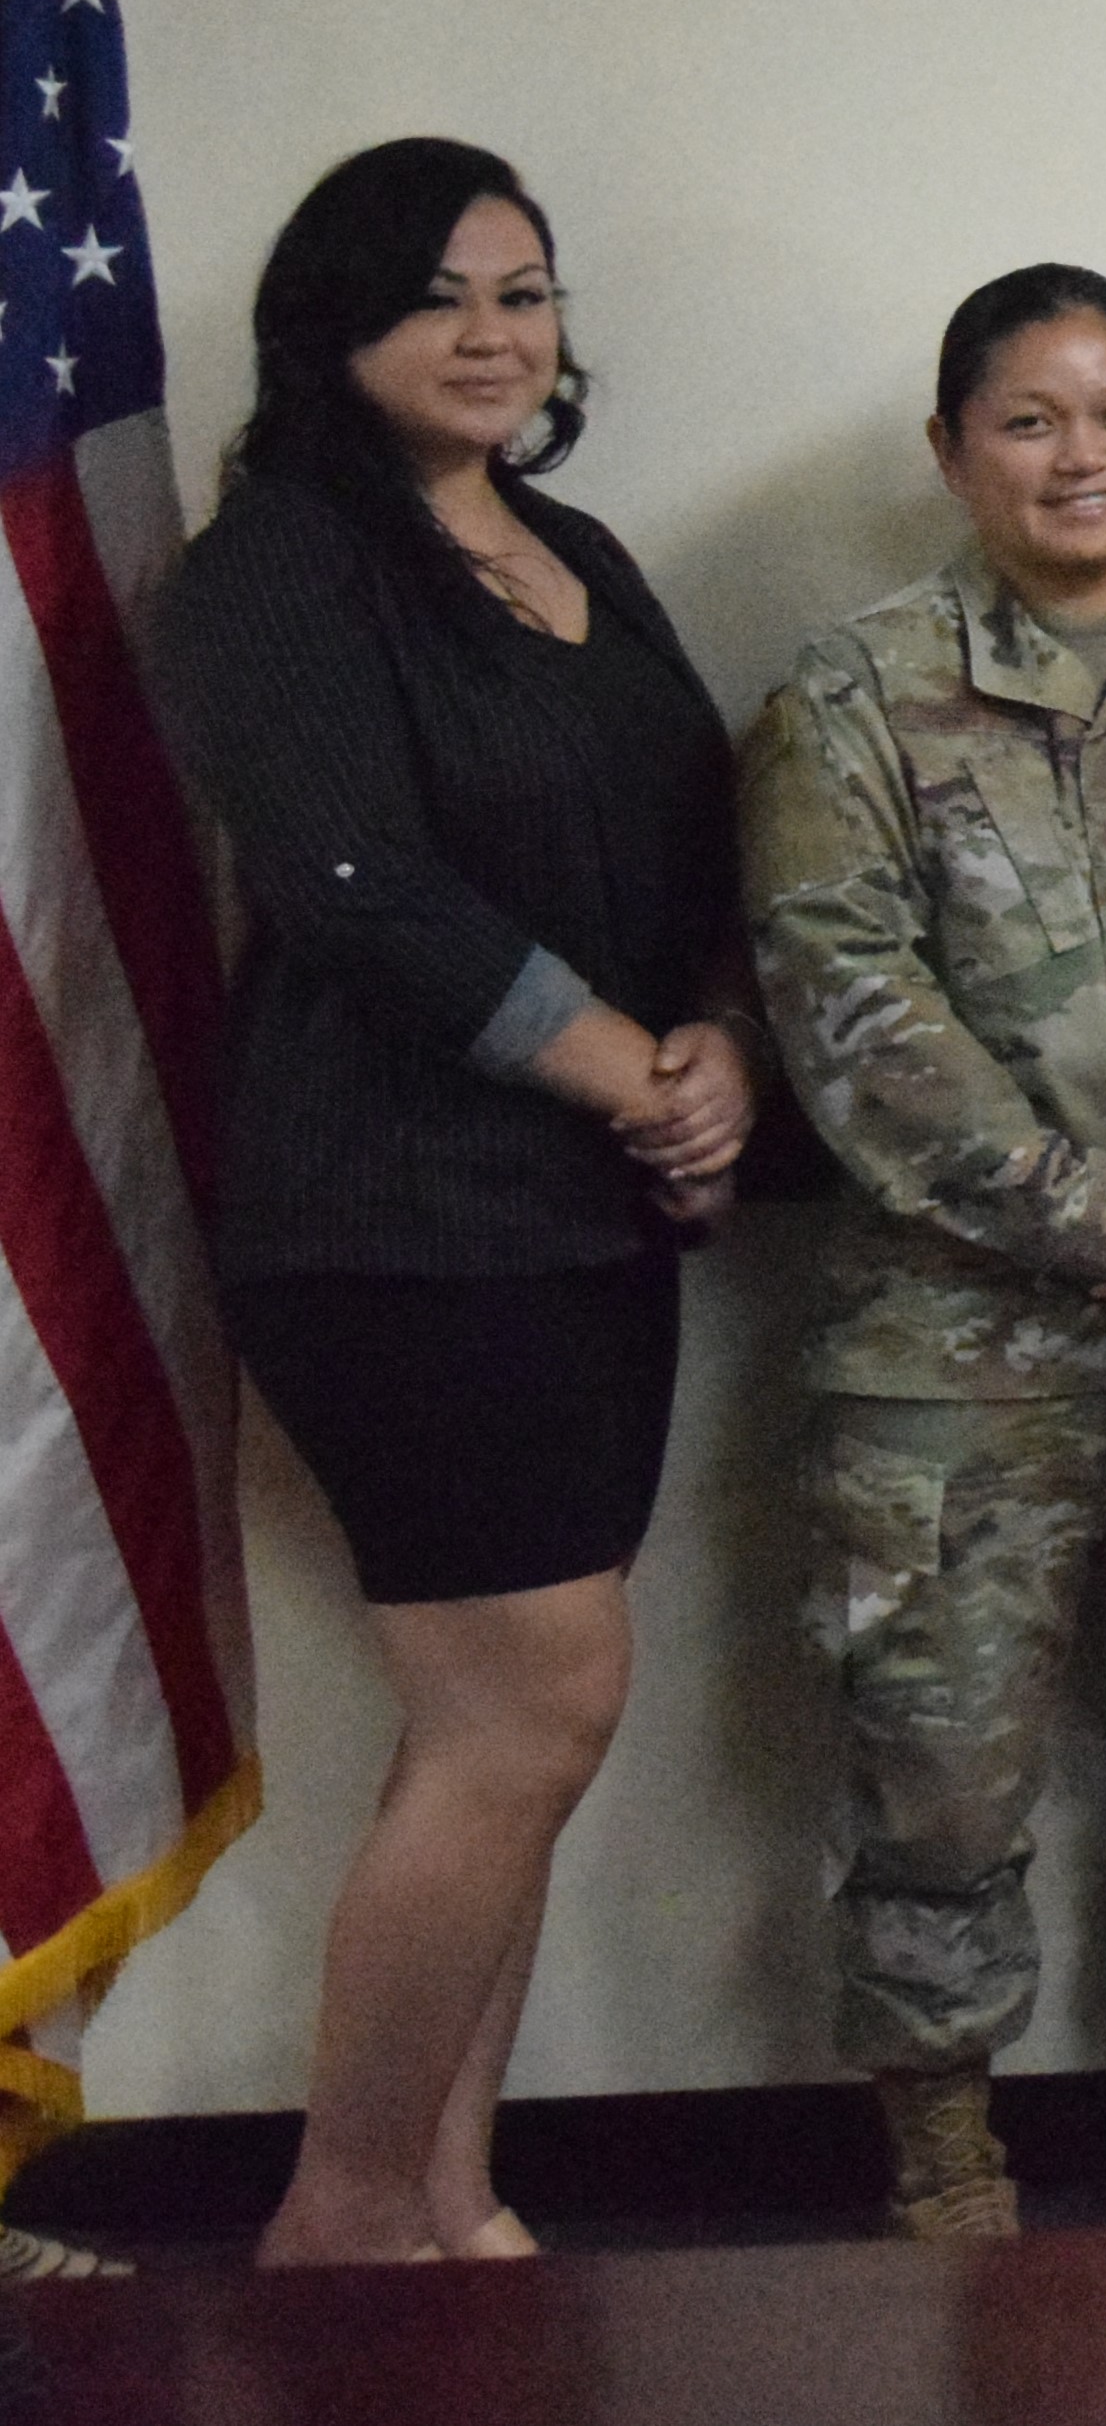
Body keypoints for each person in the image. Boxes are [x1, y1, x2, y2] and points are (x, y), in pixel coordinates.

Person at [146, 141, 756, 2265]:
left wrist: (720, 1053)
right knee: (532, 1703)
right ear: (333, 330)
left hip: (597, 1213)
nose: (496, 334)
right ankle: (338, 2216)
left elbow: (711, 839)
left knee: (518, 1726)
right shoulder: (276, 567)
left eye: (527, 288)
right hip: (391, 1215)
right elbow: (349, 884)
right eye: (441, 297)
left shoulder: (573, 542)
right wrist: (628, 1070)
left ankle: (450, 2201)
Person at [739, 267, 1106, 2237]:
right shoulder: (850, 692)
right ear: (950, 449)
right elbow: (845, 998)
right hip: (950, 1347)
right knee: (935, 1770)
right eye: (1028, 419)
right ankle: (943, 2157)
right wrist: (1090, 1214)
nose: (1082, 455)